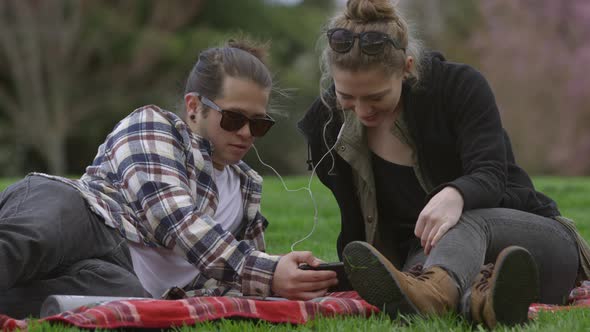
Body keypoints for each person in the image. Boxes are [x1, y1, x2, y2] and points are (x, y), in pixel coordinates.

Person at [298, 0, 590, 328]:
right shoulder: (325, 125)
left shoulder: (458, 86)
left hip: (534, 244)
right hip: (431, 259)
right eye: (347, 97)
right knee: (423, 262)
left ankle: (435, 295)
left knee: (461, 223)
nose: (363, 110)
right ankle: (483, 303)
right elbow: (364, 232)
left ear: (406, 67)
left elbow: (492, 174)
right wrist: (323, 276)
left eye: (376, 96)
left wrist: (456, 195)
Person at [0, 39, 337, 319]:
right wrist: (269, 271)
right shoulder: (155, 126)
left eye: (260, 124)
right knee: (38, 232)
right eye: (234, 118)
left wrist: (296, 276)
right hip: (88, 215)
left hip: (121, 274)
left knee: (126, 295)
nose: (247, 133)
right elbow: (174, 219)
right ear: (193, 107)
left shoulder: (247, 188)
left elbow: (241, 277)